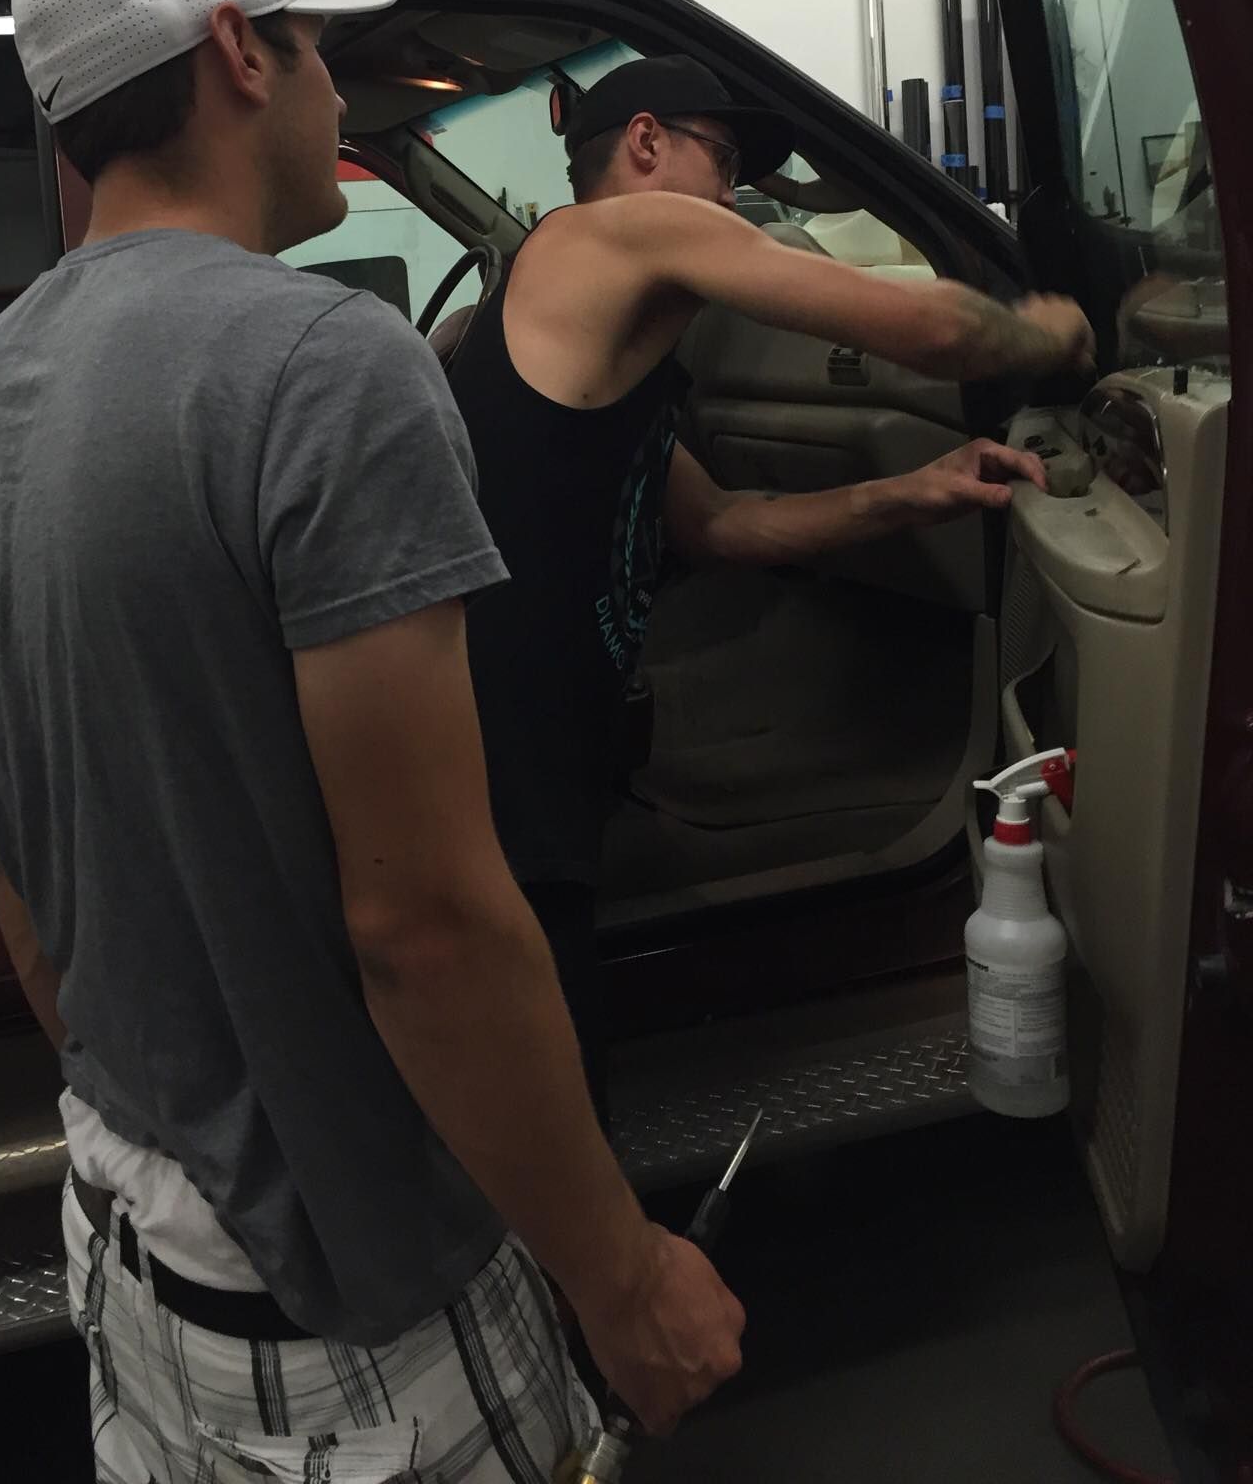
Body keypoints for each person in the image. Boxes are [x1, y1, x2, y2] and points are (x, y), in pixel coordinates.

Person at [0, 0, 744, 1484]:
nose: (341, 94)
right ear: (236, 49)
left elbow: (9, 854)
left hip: (131, 1233)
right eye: (317, 48)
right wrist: (620, 1275)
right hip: (354, 1302)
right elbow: (424, 926)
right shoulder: (326, 368)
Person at [444, 54, 1095, 1111]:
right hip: (505, 769)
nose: (732, 197)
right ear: (646, 144)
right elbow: (927, 325)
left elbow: (723, 524)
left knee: (544, 1072)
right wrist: (1055, 332)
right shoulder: (613, 229)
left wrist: (915, 490)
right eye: (725, 159)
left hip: (535, 755)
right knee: (543, 1107)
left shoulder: (597, 342)